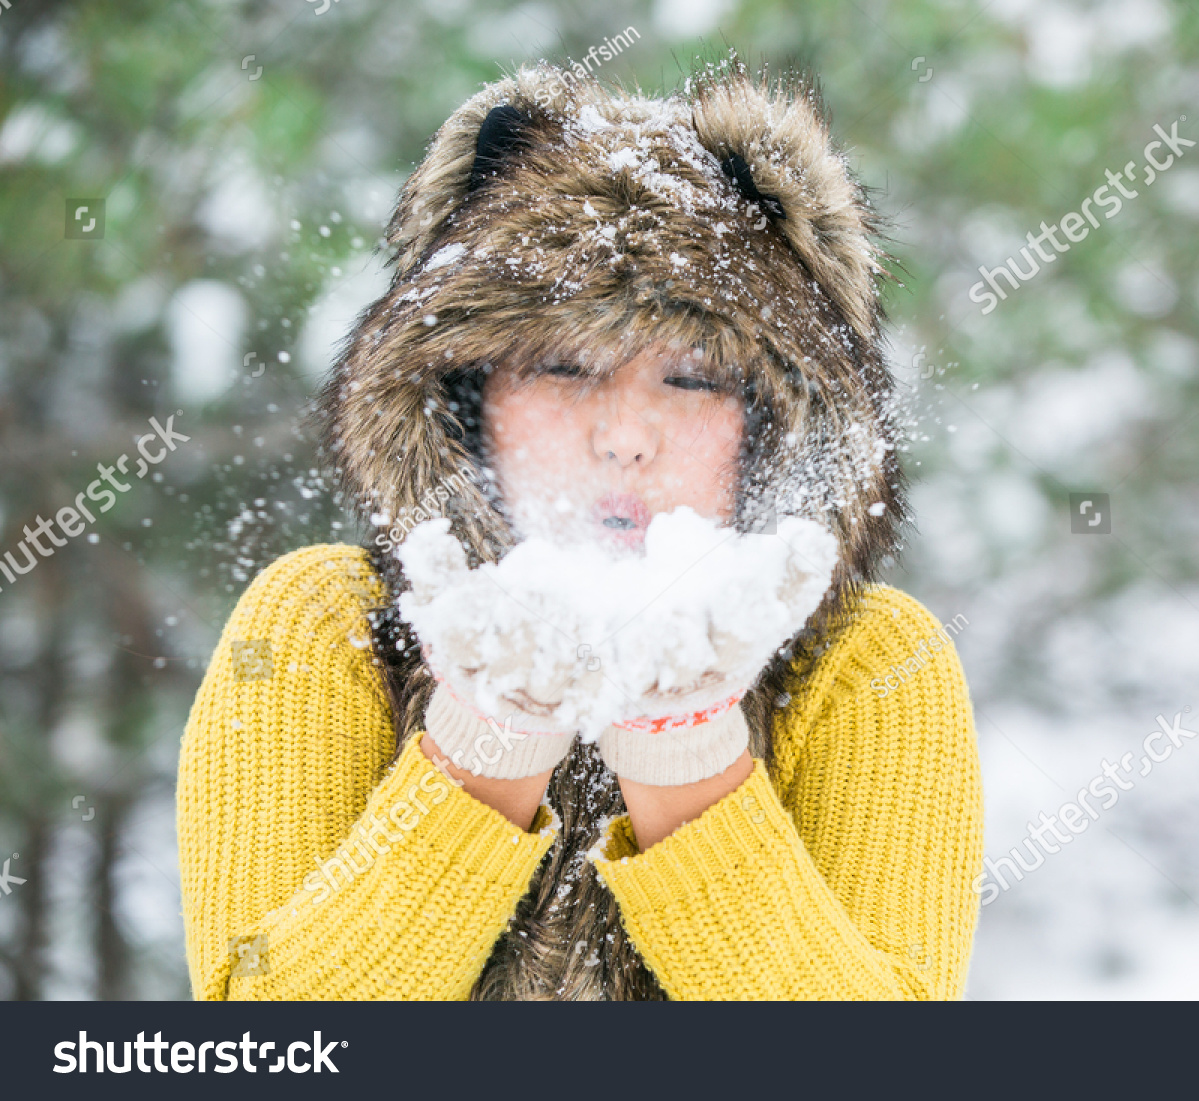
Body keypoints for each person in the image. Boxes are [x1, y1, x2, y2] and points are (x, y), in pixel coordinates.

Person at [175, 56, 984, 1001]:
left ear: (774, 422)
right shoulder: (324, 629)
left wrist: (685, 754)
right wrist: (485, 742)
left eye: (692, 378)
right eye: (564, 367)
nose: (625, 437)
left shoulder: (871, 663)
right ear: (464, 392)